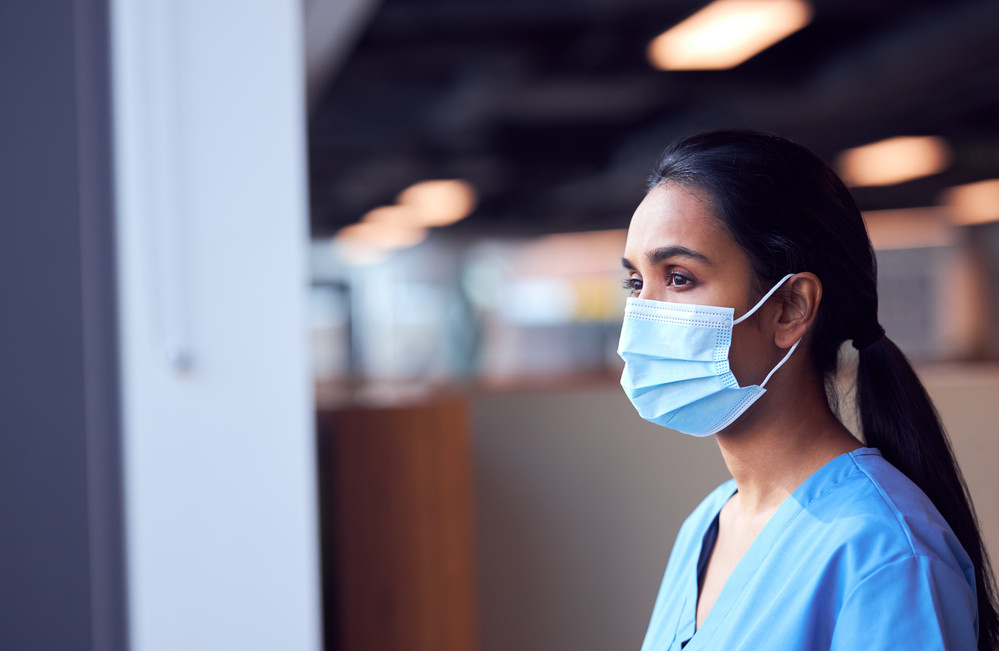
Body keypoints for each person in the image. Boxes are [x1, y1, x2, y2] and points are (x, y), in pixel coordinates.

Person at [616, 130, 998, 650]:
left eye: (679, 277)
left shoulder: (886, 553)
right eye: (636, 283)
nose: (644, 313)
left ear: (791, 308)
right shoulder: (707, 525)